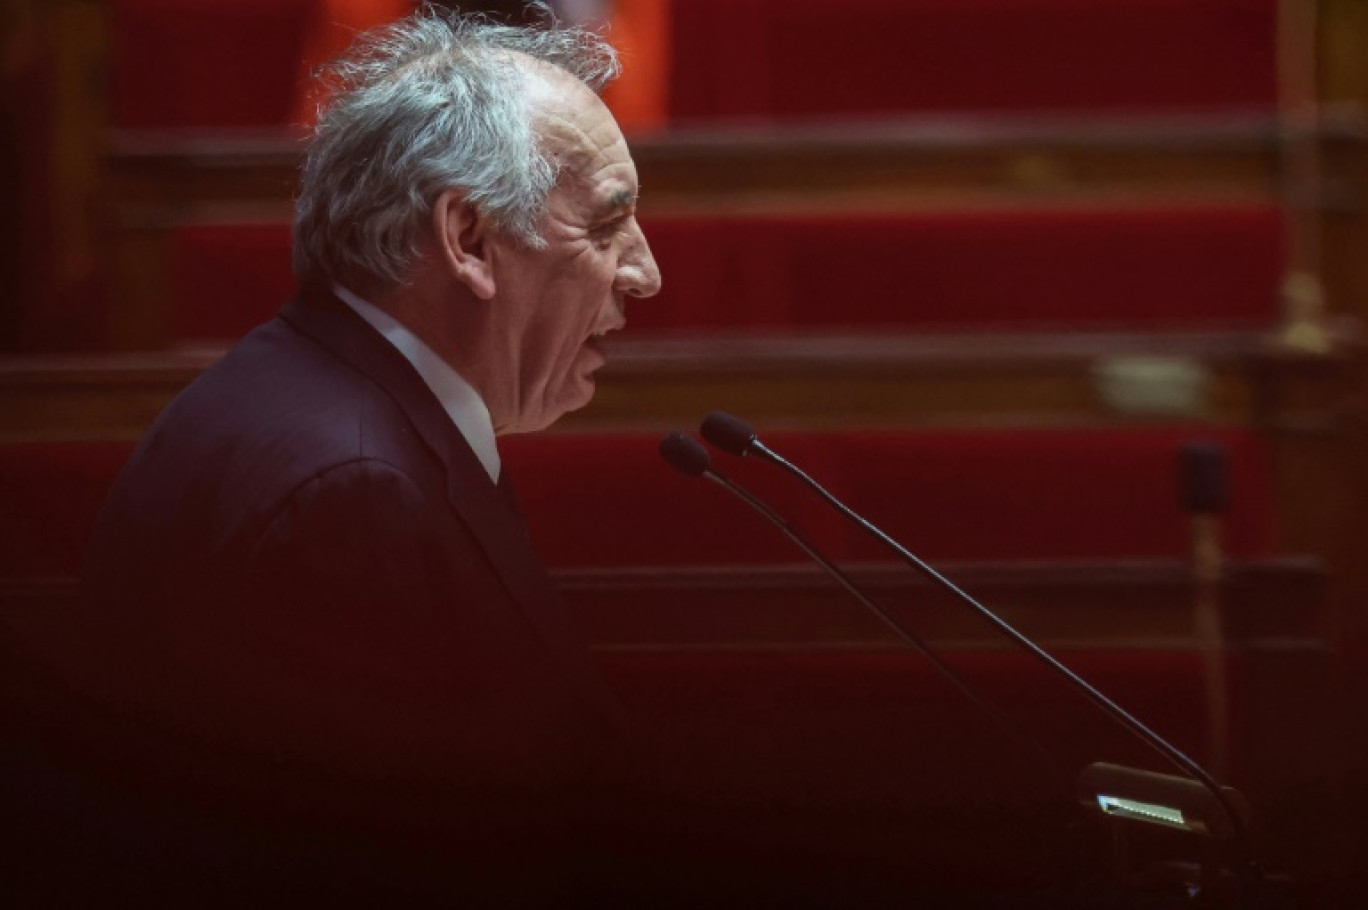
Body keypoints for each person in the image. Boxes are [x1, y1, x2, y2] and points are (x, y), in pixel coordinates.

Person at [68, 5, 661, 902]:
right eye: (607, 225)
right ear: (467, 240)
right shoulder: (351, 497)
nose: (644, 272)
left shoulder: (315, 399)